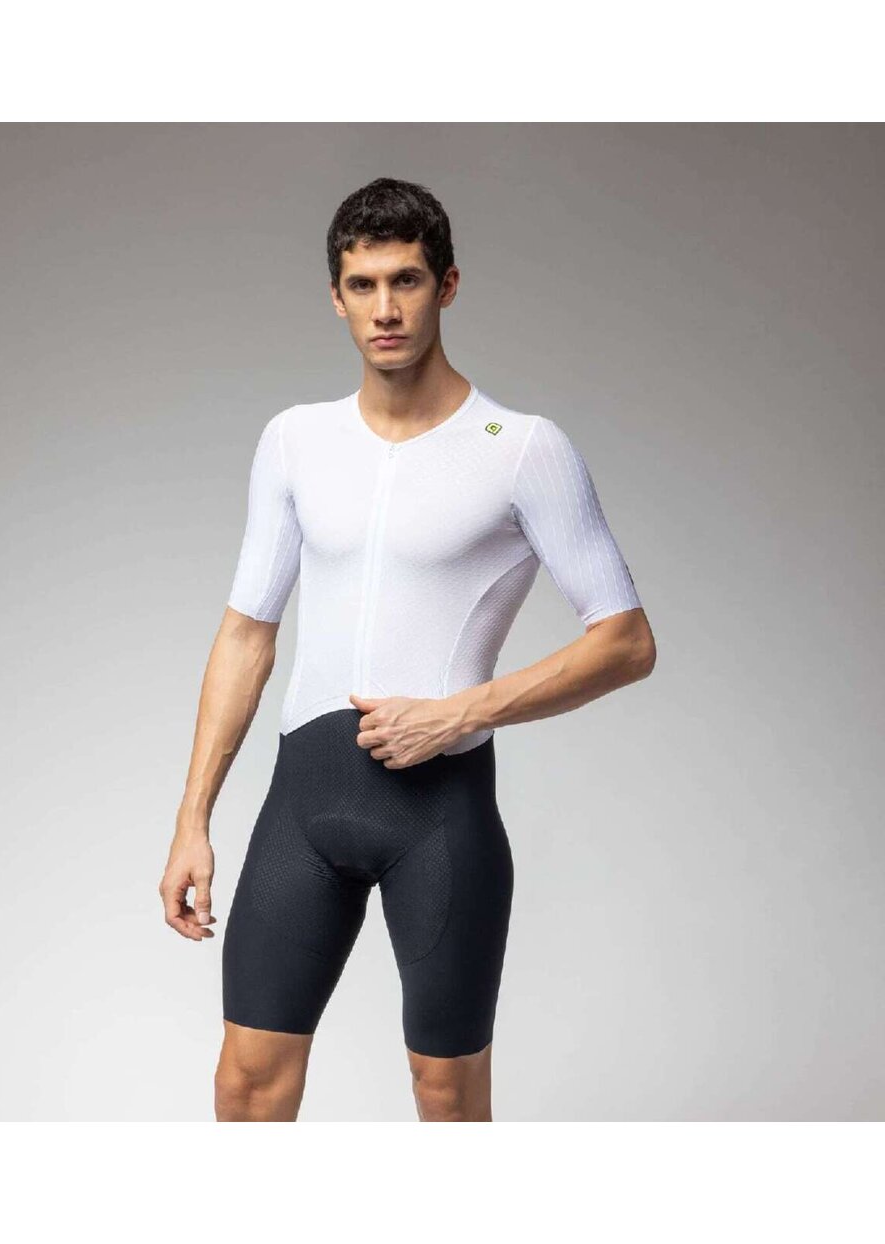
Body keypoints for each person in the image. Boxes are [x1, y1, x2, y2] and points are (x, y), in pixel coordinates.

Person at [159, 176, 656, 1122]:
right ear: (336, 296)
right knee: (246, 1084)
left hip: (442, 819)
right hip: (302, 809)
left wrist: (460, 712)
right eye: (363, 285)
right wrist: (193, 820)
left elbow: (627, 642)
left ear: (447, 286)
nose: (385, 309)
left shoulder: (522, 448)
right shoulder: (295, 441)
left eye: (407, 281)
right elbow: (246, 634)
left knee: (446, 1097)